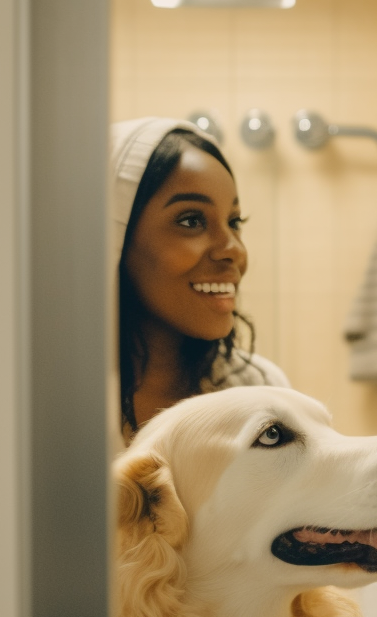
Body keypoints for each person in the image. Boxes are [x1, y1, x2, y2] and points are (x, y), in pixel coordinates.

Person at [110, 118, 289, 443]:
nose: (233, 249)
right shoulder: (51, 400)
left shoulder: (256, 387)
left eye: (234, 222)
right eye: (191, 221)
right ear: (115, 235)